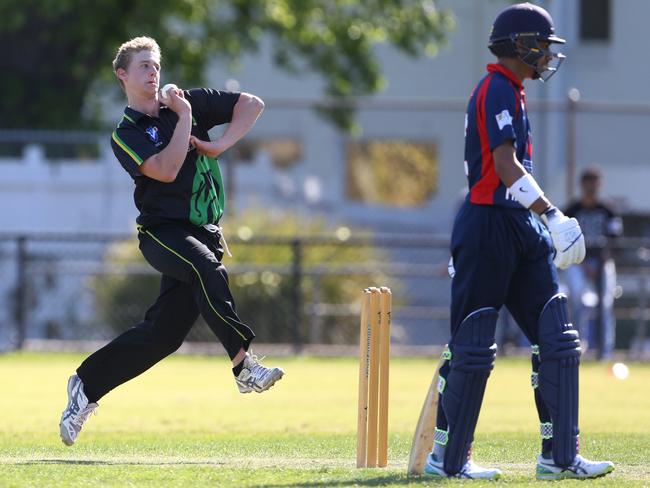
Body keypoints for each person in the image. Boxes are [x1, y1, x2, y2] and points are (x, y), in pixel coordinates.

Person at [59, 36, 284, 446]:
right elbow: (165, 169)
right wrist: (184, 119)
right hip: (162, 234)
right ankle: (244, 367)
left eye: (156, 64)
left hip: (205, 232)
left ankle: (86, 385)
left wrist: (217, 145)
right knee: (205, 268)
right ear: (122, 75)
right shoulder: (126, 132)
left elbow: (252, 104)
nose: (153, 72)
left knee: (163, 335)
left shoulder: (184, 102)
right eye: (144, 65)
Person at [424, 4, 614, 480]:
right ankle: (447, 461)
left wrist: (540, 222)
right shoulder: (495, 88)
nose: (549, 54)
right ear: (521, 44)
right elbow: (505, 166)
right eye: (543, 45)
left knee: (558, 339)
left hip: (518, 226)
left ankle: (560, 457)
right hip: (488, 224)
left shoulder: (514, 91)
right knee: (472, 346)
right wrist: (552, 214)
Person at [564, 167, 623, 359]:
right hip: (578, 261)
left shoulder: (608, 210)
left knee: (605, 305)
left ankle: (605, 350)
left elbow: (616, 240)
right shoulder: (572, 210)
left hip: (603, 262)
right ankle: (577, 347)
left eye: (595, 183)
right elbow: (565, 240)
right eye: (588, 183)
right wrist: (583, 264)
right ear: (582, 185)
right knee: (577, 300)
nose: (592, 188)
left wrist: (602, 262)